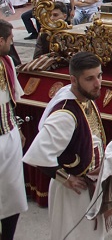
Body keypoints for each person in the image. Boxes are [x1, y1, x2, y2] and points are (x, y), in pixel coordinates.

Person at [23, 52, 107, 239]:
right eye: (90, 78)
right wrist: (65, 177)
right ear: (73, 80)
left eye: (99, 75)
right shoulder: (65, 115)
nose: (98, 83)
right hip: (73, 192)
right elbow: (37, 153)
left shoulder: (85, 98)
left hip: (91, 186)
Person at [0, 20, 26, 240]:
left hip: (8, 136)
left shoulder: (7, 60)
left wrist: (17, 128)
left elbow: (9, 100)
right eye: (10, 40)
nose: (12, 43)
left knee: (13, 197)